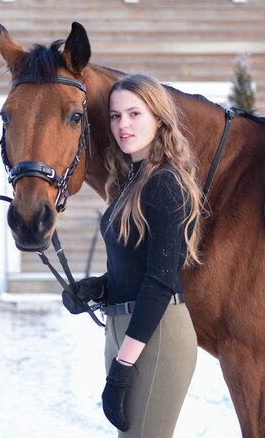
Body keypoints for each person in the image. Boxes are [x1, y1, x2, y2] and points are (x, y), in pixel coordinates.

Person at [62, 73, 203, 437]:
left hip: (156, 335)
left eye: (134, 114)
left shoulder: (166, 184)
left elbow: (159, 281)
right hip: (124, 329)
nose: (122, 125)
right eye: (114, 116)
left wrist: (123, 367)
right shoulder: (131, 181)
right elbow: (133, 267)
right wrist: (97, 288)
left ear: (158, 118)